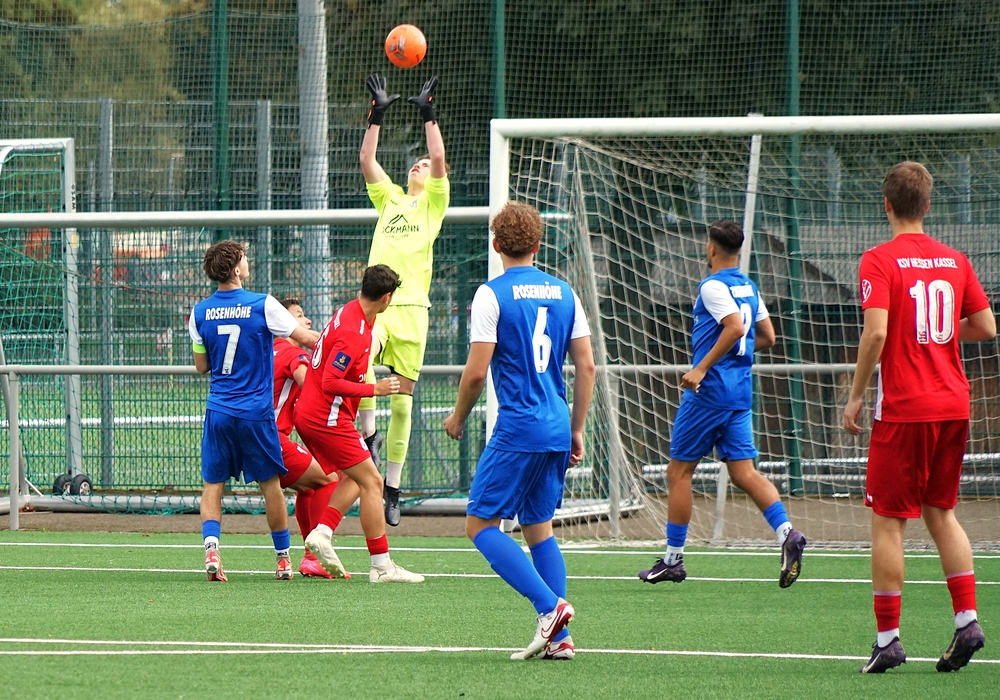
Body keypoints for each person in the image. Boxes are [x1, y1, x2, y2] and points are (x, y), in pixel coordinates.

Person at [842, 161, 995, 674]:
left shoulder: (878, 259)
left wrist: (855, 396)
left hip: (905, 409)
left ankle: (888, 639)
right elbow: (986, 326)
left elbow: (877, 333)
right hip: (953, 404)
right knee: (942, 513)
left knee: (888, 522)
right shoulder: (955, 259)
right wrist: (939, 332)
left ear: (886, 205)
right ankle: (967, 620)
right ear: (927, 206)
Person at [444, 201, 596, 661]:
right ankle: (561, 640)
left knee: (479, 524)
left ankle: (550, 607)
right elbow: (587, 367)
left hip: (519, 427)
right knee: (537, 526)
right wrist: (576, 428)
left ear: (495, 245)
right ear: (538, 244)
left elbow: (476, 373)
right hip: (556, 424)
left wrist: (458, 417)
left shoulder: (491, 295)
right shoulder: (565, 292)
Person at [638, 220, 806, 587]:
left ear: (711, 248)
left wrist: (701, 367)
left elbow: (735, 328)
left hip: (709, 393)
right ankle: (787, 533)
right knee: (744, 473)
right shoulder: (748, 286)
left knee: (678, 473)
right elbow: (768, 336)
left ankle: (673, 560)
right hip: (739, 393)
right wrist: (736, 354)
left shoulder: (712, 286)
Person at [188, 240, 319, 582]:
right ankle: (282, 559)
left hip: (219, 410)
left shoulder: (199, 312)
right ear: (236, 269)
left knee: (213, 485)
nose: (248, 262)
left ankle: (212, 551)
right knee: (270, 485)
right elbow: (306, 339)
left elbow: (201, 366)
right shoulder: (262, 304)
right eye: (244, 258)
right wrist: (341, 341)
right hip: (255, 413)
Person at [356, 73, 451, 527]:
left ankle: (392, 487)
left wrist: (428, 112)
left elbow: (438, 156)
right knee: (359, 362)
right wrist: (377, 114)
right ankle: (368, 437)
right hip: (379, 306)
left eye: (424, 165)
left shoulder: (432, 205)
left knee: (402, 401)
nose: (419, 165)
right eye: (415, 162)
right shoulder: (390, 199)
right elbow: (366, 159)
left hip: (413, 310)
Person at [294, 264, 424, 584]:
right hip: (325, 418)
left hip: (315, 414)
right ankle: (381, 565)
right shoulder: (353, 332)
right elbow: (330, 382)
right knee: (373, 482)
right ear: (387, 298)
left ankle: (323, 532)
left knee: (355, 478)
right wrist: (374, 390)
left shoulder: (353, 312)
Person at [271, 298, 358, 579]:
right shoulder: (292, 354)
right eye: (299, 315)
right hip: (271, 439)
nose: (307, 321)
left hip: (247, 436)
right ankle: (313, 556)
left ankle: (312, 555)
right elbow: (312, 389)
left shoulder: (265, 351)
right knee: (330, 479)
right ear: (283, 324)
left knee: (308, 488)